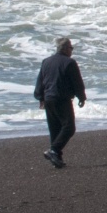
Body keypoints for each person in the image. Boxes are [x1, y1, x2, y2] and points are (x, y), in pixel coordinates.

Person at [33, 37, 87, 169]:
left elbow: (40, 82)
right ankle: (54, 150)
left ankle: (57, 158)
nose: (72, 50)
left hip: (48, 99)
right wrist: (81, 97)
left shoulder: (46, 61)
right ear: (65, 49)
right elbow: (77, 82)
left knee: (55, 129)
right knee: (69, 127)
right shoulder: (69, 63)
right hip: (61, 99)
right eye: (71, 48)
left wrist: (40, 98)